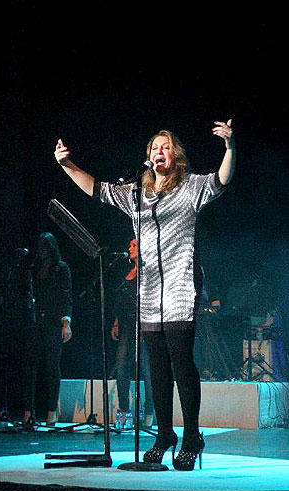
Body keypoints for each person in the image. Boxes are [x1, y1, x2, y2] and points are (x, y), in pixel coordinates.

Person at [54, 120, 235, 470]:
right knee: (156, 369)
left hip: (180, 290)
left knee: (182, 366)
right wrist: (67, 165)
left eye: (165, 147)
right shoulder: (137, 193)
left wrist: (229, 148)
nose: (158, 152)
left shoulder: (190, 188)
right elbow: (95, 189)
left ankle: (192, 436)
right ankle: (164, 433)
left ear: (176, 155)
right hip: (150, 292)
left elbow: (221, 179)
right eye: (154, 148)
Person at [24, 232, 72, 426]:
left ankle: (52, 411)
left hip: (54, 322)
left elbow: (67, 297)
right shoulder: (34, 269)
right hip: (36, 321)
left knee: (52, 366)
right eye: (39, 245)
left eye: (45, 245)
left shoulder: (61, 268)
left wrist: (66, 323)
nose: (41, 249)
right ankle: (28, 411)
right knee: (30, 365)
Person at [110, 238, 154, 430]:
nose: (129, 248)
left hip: (144, 325)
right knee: (121, 366)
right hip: (126, 325)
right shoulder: (126, 272)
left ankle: (150, 411)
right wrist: (116, 322)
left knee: (146, 369)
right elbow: (120, 300)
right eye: (130, 245)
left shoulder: (150, 273)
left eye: (134, 245)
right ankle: (125, 411)